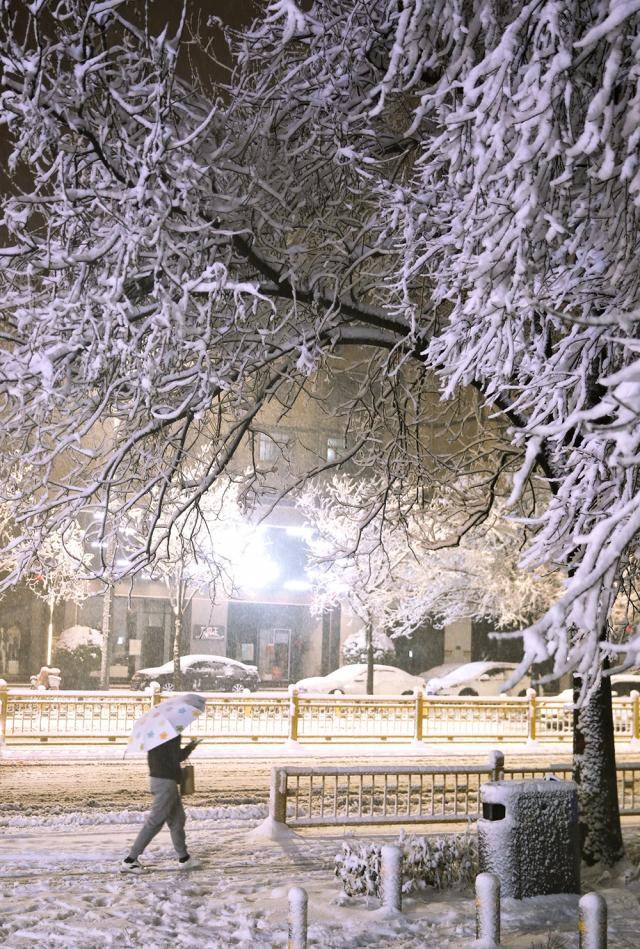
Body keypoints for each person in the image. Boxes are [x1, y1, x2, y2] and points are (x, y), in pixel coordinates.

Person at [122, 698, 204, 873]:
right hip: (165, 782)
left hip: (162, 780)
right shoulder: (170, 735)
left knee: (177, 820)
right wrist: (191, 747)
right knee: (155, 822)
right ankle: (130, 860)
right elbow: (176, 758)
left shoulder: (157, 734)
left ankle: (184, 858)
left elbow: (169, 757)